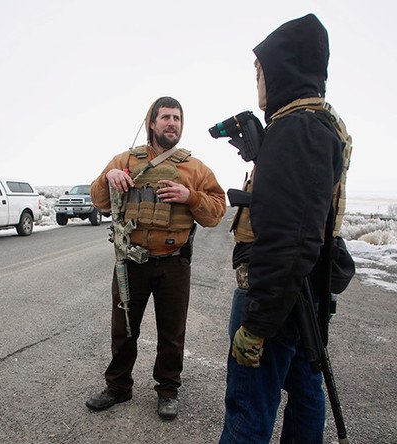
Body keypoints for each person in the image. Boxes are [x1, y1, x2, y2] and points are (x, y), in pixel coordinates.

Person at [220, 14, 346, 443]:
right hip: (296, 293)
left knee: (248, 406)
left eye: (260, 70)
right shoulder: (312, 124)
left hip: (276, 294)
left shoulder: (297, 130)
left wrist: (256, 324)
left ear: (281, 69)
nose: (258, 80)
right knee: (306, 392)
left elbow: (290, 241)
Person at [86, 96, 226, 420]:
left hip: (174, 263)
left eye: (177, 118)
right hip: (130, 262)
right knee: (123, 330)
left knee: (172, 332)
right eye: (166, 117)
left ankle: (168, 391)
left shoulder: (195, 168)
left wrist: (190, 196)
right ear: (152, 122)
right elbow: (97, 200)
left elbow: (217, 211)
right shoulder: (124, 160)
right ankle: (118, 387)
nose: (172, 123)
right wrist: (108, 179)